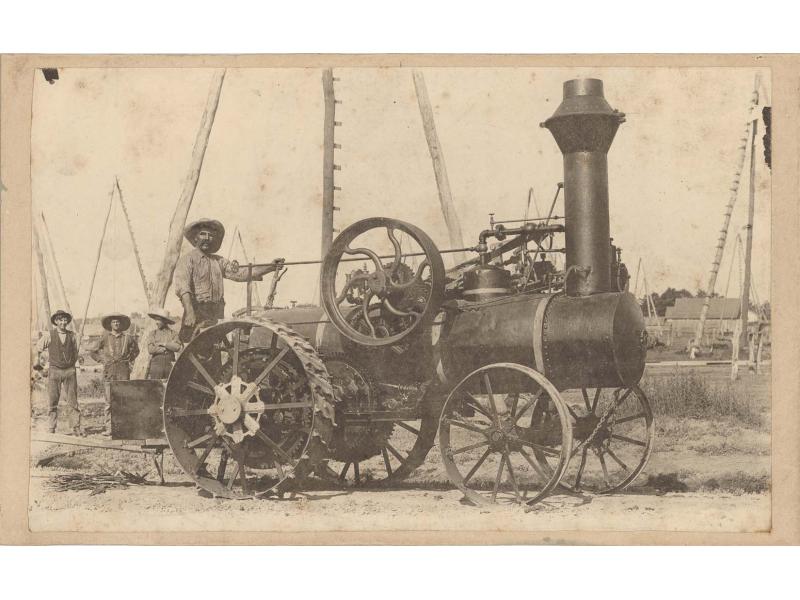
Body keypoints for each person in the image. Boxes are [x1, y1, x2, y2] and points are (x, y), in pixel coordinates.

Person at [173, 218, 284, 342]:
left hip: (216, 314)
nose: (207, 238)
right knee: (195, 353)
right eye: (203, 234)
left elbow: (241, 274)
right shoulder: (187, 260)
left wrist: (270, 267)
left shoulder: (219, 261)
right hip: (197, 312)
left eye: (210, 235)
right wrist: (189, 312)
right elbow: (183, 288)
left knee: (215, 351)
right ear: (195, 238)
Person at [90, 312, 140, 434]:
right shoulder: (105, 337)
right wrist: (102, 360)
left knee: (124, 400)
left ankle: (124, 428)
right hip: (109, 371)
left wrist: (128, 360)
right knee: (109, 401)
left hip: (123, 371)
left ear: (121, 324)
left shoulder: (128, 338)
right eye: (114, 322)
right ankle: (109, 428)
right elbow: (93, 351)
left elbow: (136, 351)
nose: (116, 324)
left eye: (118, 322)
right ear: (110, 324)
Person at [36, 309, 82, 435]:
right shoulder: (49, 335)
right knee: (52, 400)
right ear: (56, 322)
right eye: (60, 320)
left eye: (64, 319)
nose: (63, 322)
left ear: (67, 321)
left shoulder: (72, 335)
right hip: (54, 371)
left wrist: (75, 364)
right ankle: (51, 427)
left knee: (72, 400)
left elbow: (76, 353)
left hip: (69, 371)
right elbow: (38, 348)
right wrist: (39, 363)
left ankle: (76, 427)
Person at [146, 307, 182, 379]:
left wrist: (164, 344)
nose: (156, 322)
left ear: (165, 321)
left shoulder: (173, 333)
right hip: (156, 365)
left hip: (170, 364)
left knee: (170, 386)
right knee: (155, 386)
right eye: (155, 320)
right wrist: (166, 348)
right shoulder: (153, 333)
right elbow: (150, 349)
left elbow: (177, 347)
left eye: (159, 320)